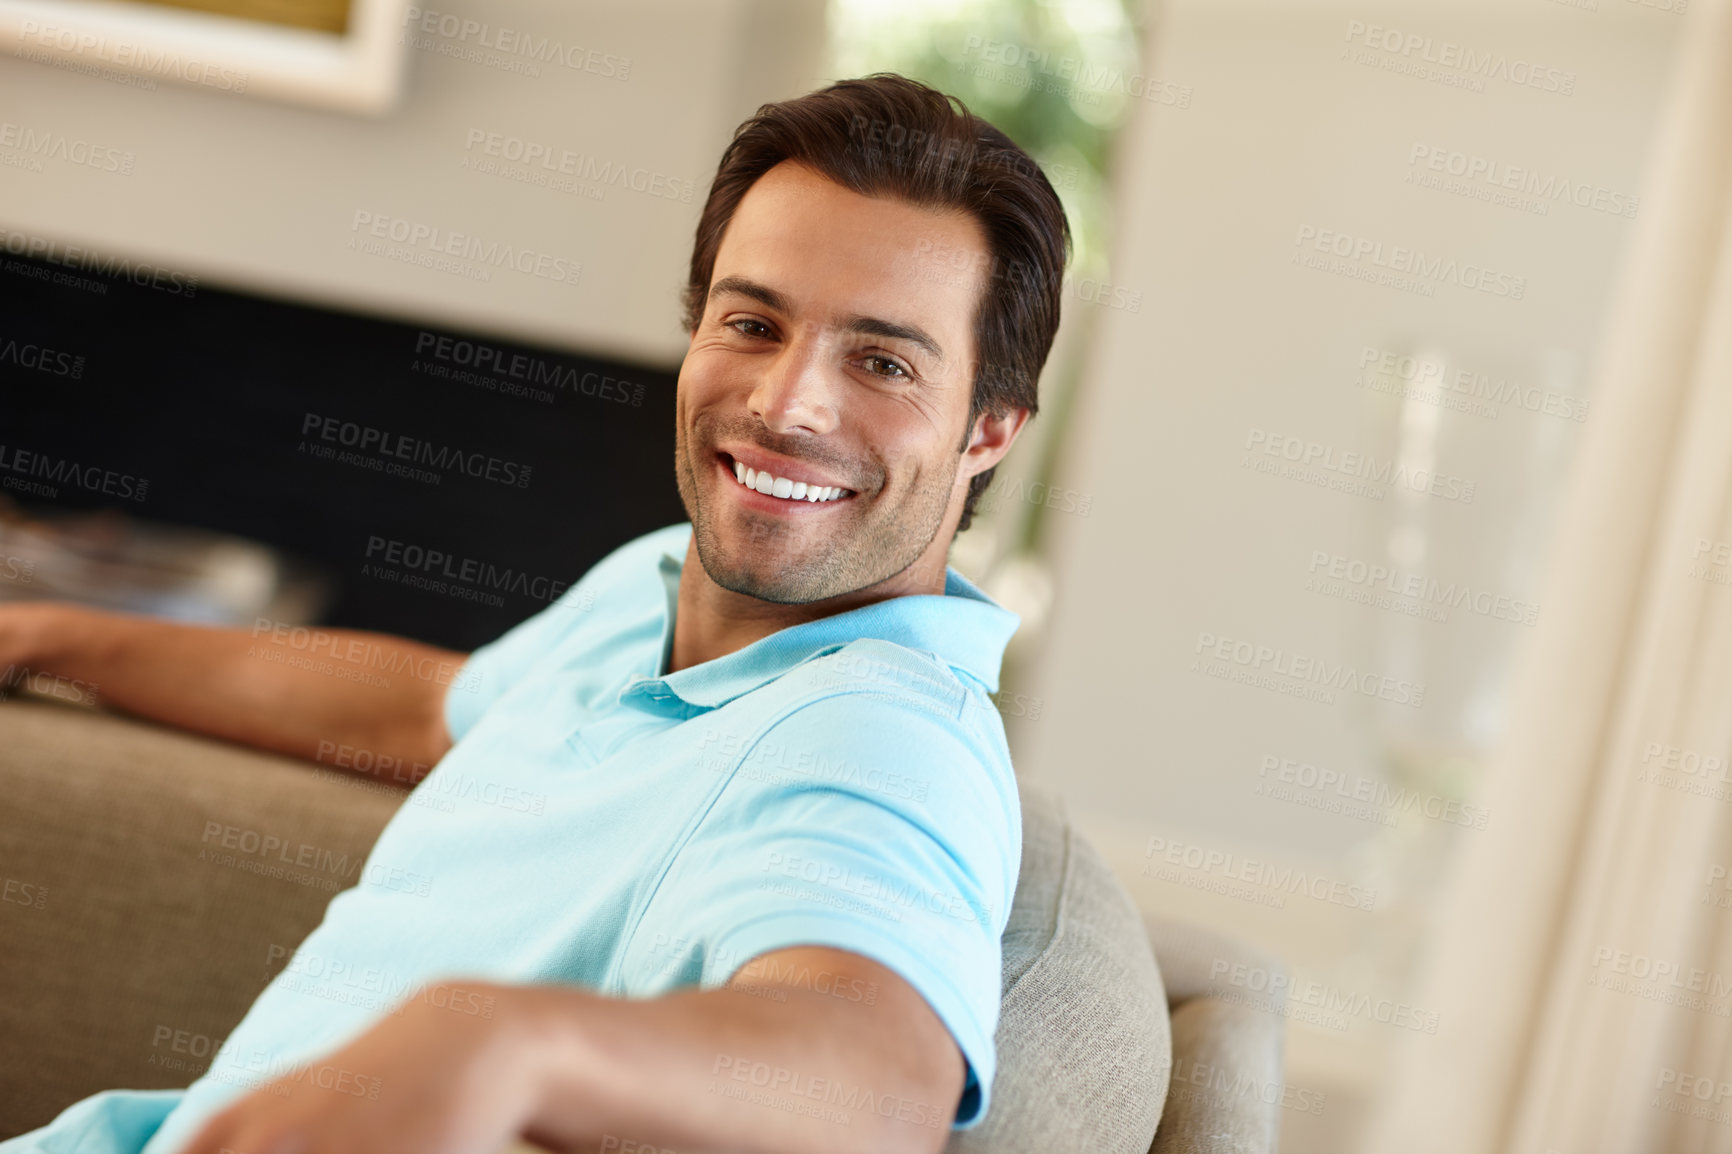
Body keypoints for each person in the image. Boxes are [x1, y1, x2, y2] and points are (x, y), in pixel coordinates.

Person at [0, 71, 1070, 1154]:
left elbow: (878, 1084)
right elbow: (419, 709)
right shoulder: (658, 573)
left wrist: (513, 1047)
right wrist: (46, 636)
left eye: (882, 361)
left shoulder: (883, 733)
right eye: (753, 321)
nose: (784, 403)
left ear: (988, 430)